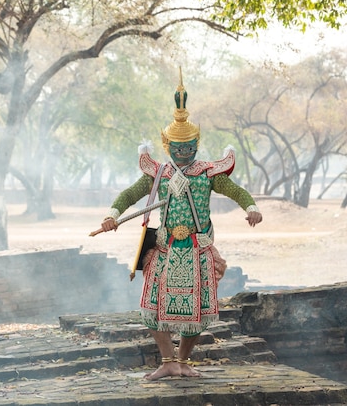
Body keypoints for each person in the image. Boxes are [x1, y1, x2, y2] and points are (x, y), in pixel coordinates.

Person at [98, 71, 263, 380]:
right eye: (178, 147)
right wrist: (112, 214)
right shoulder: (157, 173)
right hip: (164, 248)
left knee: (196, 313)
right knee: (150, 308)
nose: (184, 152)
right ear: (166, 144)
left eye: (189, 146)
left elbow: (237, 191)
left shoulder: (208, 173)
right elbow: (131, 194)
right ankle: (166, 360)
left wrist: (251, 207)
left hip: (198, 249)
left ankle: (184, 362)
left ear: (196, 143)